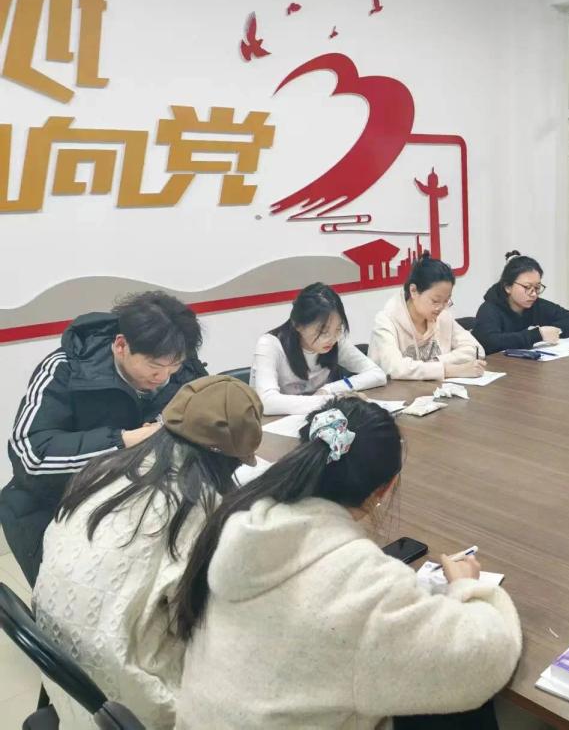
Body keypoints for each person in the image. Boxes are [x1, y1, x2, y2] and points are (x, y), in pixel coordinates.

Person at [172, 397, 522, 729]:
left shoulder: (242, 527)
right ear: (386, 488)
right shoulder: (360, 583)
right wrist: (466, 587)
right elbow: (485, 659)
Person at [31, 375, 262, 730]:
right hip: (124, 702)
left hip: (60, 671)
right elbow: (202, 621)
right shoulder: (198, 512)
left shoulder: (103, 470)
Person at [0, 291, 206, 585]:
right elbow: (31, 455)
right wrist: (123, 440)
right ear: (121, 345)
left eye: (173, 367)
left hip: (136, 506)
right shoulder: (66, 368)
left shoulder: (182, 367)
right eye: (154, 367)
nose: (164, 377)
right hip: (54, 506)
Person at [250, 282, 386, 415]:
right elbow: (267, 402)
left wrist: (329, 389)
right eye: (323, 331)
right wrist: (333, 400)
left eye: (338, 329)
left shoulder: (336, 341)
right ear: (298, 325)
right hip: (274, 425)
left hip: (319, 420)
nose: (332, 338)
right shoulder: (270, 345)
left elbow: (377, 374)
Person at [369, 253, 486, 381]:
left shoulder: (442, 316)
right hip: (395, 392)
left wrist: (436, 362)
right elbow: (395, 368)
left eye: (446, 301)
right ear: (413, 291)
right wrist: (448, 370)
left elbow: (476, 350)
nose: (441, 307)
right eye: (435, 301)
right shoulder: (386, 321)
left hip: (433, 390)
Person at [472, 251, 569, 355]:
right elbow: (489, 342)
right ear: (508, 287)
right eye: (527, 287)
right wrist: (537, 335)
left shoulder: (537, 304)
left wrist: (553, 331)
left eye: (537, 287)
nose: (533, 294)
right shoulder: (489, 309)